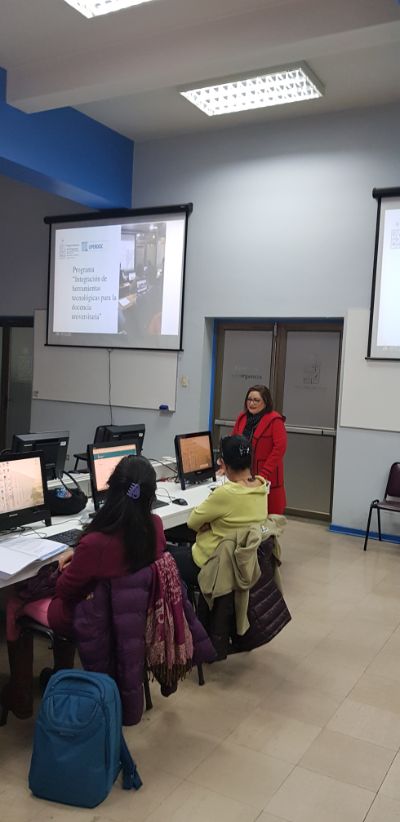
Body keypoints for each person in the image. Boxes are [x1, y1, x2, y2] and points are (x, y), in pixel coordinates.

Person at [1, 455, 215, 725]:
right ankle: (60, 673)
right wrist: (79, 558)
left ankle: (20, 697)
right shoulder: (155, 527)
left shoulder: (96, 541)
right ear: (149, 496)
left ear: (112, 489)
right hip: (129, 619)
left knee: (14, 600)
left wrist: (68, 564)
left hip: (88, 618)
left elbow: (66, 591)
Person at [169, 435, 268, 587]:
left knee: (162, 555)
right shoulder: (262, 487)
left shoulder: (226, 493)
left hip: (211, 564)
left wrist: (211, 524)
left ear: (224, 464)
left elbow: (192, 522)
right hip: (239, 563)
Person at [232, 385, 287, 514]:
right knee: (246, 516)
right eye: (249, 399)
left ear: (265, 402)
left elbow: (279, 449)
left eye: (256, 400)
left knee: (269, 519)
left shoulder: (275, 420)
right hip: (243, 475)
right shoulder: (242, 418)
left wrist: (262, 475)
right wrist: (225, 464)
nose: (251, 403)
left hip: (266, 477)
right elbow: (233, 442)